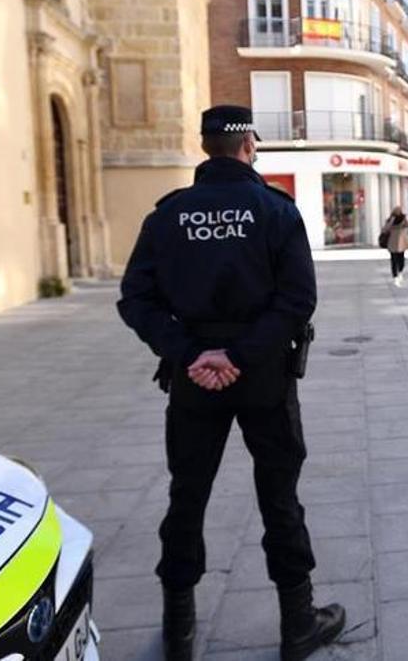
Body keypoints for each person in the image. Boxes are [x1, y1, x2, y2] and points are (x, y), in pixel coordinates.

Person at [117, 106, 346, 661]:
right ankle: (298, 624)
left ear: (205, 147)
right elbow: (298, 299)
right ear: (248, 147)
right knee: (279, 496)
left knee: (187, 495)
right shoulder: (275, 210)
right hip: (263, 374)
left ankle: (179, 631)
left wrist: (191, 354)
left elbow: (136, 299)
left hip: (194, 377)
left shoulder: (168, 216)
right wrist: (240, 355)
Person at [383, 206, 408, 287]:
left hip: (401, 241)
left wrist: (405, 218)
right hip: (392, 241)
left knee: (401, 259)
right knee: (394, 260)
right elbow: (386, 229)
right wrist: (392, 221)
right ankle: (395, 276)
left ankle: (400, 272)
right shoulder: (390, 219)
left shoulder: (403, 218)